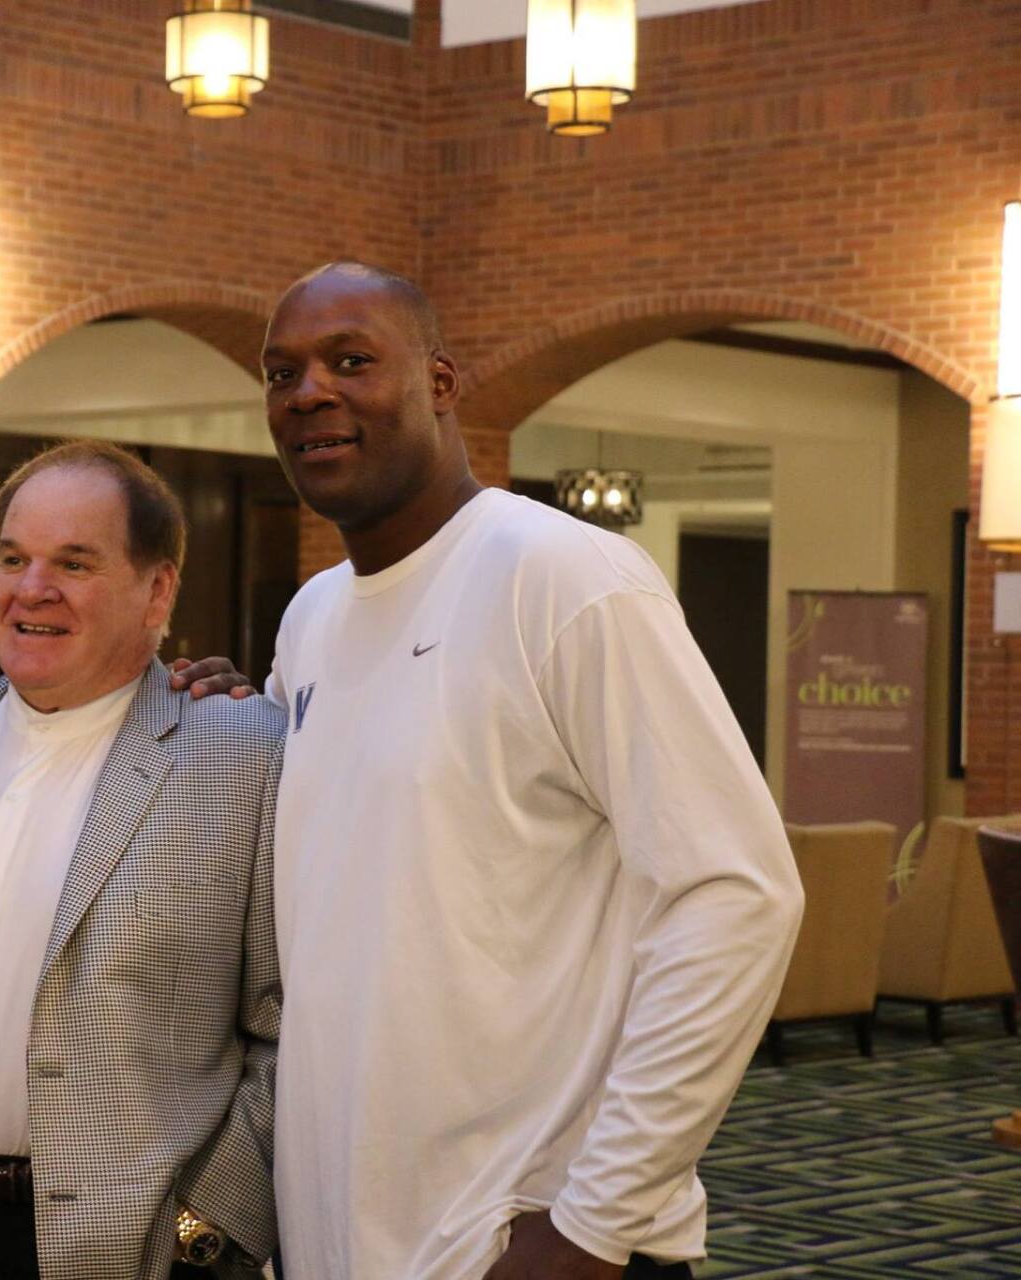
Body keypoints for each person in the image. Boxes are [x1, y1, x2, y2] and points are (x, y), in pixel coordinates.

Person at [256, 263, 805, 1280]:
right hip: (349, 1231)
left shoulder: (566, 578)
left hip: (531, 1240)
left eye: (352, 360)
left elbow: (736, 895)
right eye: (281, 372)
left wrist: (596, 1220)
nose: (310, 393)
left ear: (442, 382)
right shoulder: (314, 616)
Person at [0, 441, 282, 1280]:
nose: (34, 588)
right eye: (15, 559)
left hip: (119, 1252)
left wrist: (205, 1228)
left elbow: (291, 1024)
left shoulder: (245, 754)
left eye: (75, 562)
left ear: (158, 589)